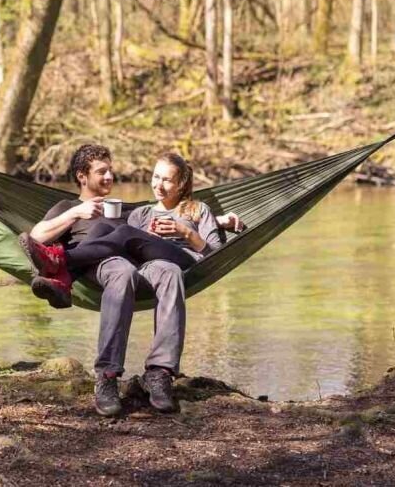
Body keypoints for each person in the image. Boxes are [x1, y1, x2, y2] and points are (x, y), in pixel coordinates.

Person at [19, 144, 240, 417]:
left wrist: (217, 222)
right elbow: (36, 237)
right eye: (103, 171)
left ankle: (62, 266)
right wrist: (76, 213)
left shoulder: (126, 210)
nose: (111, 176)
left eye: (111, 170)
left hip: (161, 261)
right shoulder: (72, 207)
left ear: (181, 183)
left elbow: (191, 224)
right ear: (81, 176)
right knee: (125, 260)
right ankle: (109, 376)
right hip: (121, 266)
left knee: (130, 245)